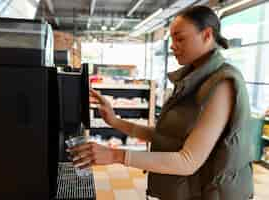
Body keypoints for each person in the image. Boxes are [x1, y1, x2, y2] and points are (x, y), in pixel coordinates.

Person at [69, 6, 254, 200]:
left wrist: (116, 155)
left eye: (180, 38)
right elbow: (166, 137)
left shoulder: (221, 84)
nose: (172, 46)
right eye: (172, 39)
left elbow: (187, 161)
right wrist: (115, 121)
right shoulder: (192, 78)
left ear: (207, 35)